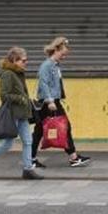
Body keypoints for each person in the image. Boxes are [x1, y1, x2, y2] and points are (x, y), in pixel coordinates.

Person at [0, 46, 43, 180]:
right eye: (23, 60)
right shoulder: (7, 74)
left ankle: (28, 170)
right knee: (7, 144)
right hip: (13, 113)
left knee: (28, 141)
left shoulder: (18, 72)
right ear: (15, 60)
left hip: (22, 113)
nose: (26, 62)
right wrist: (21, 99)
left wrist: (28, 101)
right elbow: (4, 95)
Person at [32, 36, 91, 168]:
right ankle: (73, 157)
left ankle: (31, 158)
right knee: (65, 126)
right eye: (64, 51)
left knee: (39, 130)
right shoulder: (47, 65)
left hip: (51, 101)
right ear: (57, 49)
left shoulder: (54, 65)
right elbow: (43, 83)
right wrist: (50, 101)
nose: (66, 54)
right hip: (49, 102)